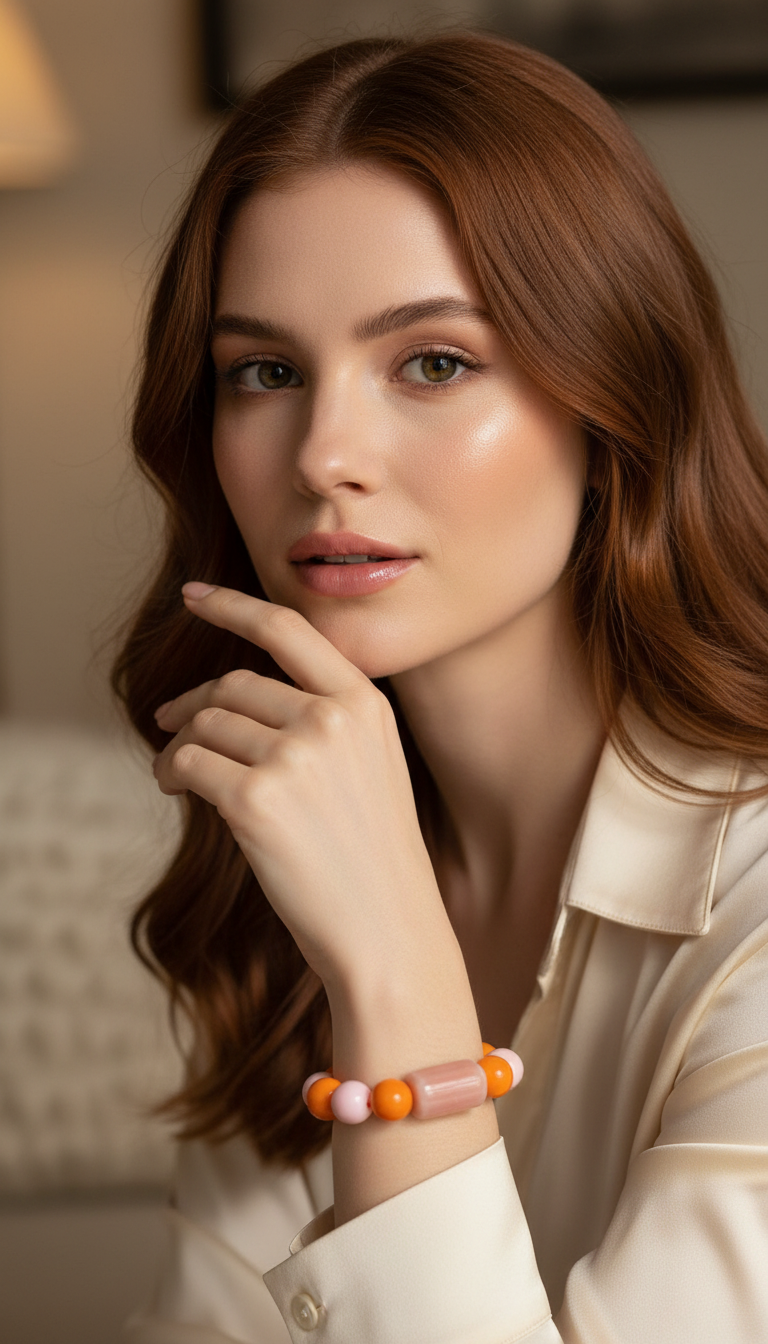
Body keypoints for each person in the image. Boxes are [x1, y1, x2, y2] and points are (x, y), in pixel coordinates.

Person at [114, 29, 768, 1344]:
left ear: (614, 398)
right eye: (266, 373)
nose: (324, 455)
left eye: (433, 362)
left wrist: (396, 980)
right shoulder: (303, 833)